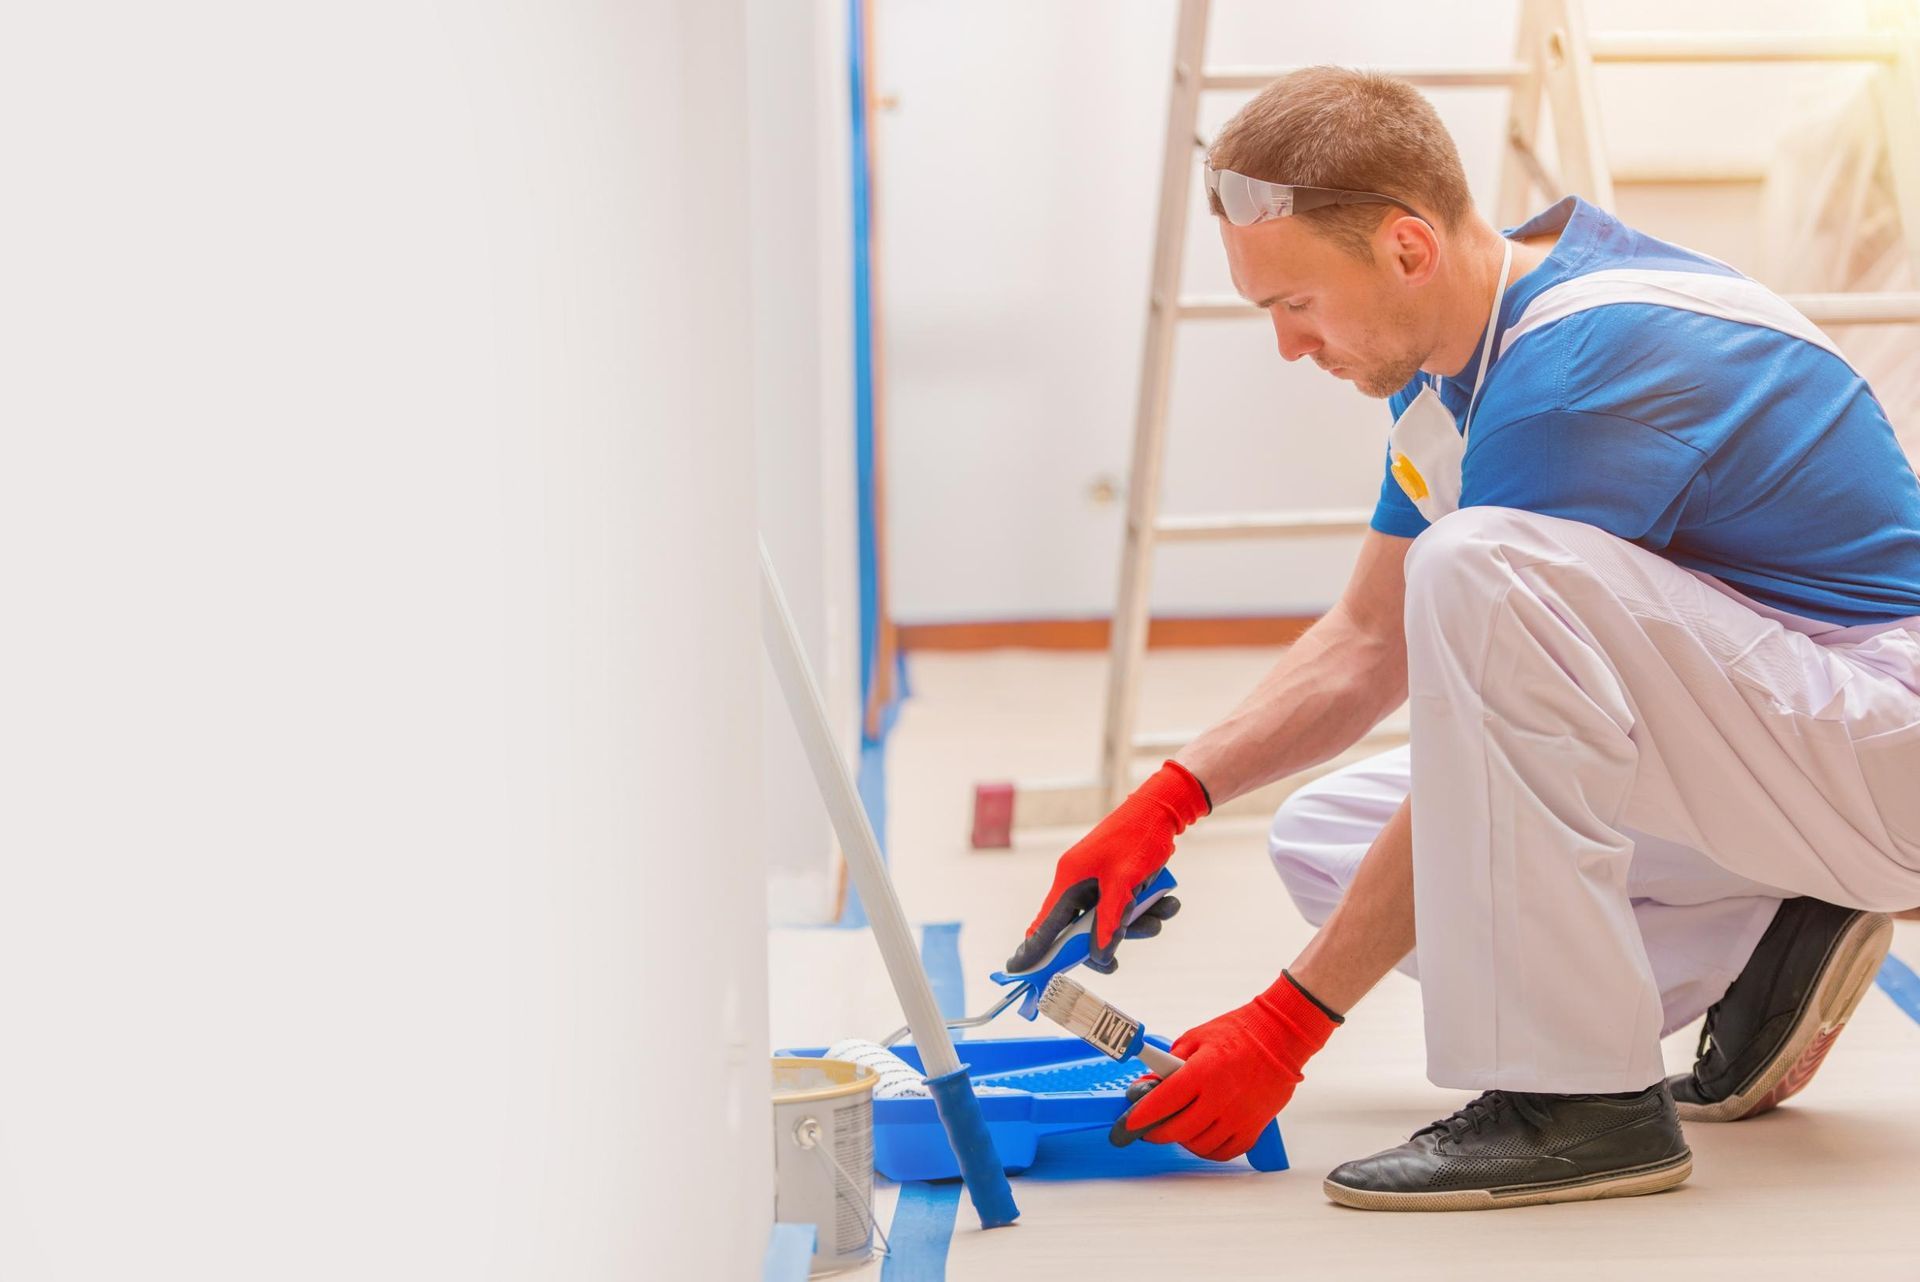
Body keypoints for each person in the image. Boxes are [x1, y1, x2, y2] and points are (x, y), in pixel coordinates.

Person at [1009, 66, 1920, 1211]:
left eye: (1297, 304)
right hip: (1776, 739)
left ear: (1405, 248)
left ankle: (1580, 1103)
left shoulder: (1578, 371)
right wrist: (1171, 799)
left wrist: (1287, 1025)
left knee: (1479, 566)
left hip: (1879, 735)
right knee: (1322, 839)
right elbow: (1363, 642)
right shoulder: (1455, 362)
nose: (1290, 346)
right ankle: (1775, 929)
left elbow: (1475, 688)